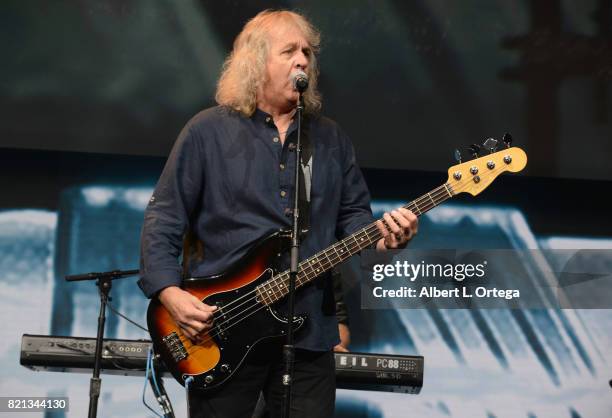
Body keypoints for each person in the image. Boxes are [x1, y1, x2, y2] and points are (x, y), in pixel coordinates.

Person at [138, 9, 418, 418]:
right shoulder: (207, 132)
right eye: (289, 51)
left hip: (307, 337)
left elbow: (356, 220)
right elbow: (164, 218)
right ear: (256, 62)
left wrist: (386, 239)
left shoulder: (331, 140)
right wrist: (170, 294)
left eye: (307, 51)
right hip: (221, 331)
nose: (303, 59)